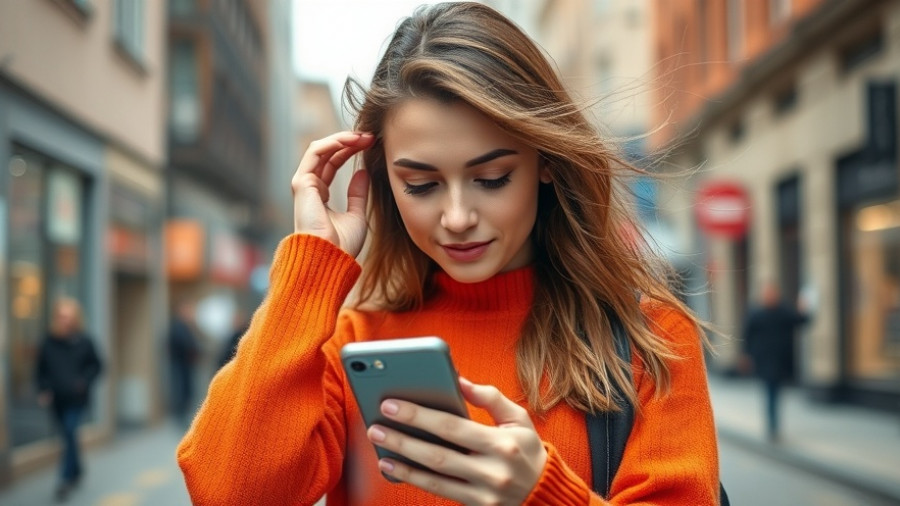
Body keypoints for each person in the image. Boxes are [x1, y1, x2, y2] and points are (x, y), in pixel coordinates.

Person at [177, 3, 721, 504]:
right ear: (386, 184)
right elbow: (228, 493)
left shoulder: (651, 339)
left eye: (491, 178)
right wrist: (308, 271)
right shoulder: (355, 344)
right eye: (422, 185)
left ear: (547, 163)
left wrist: (543, 493)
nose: (457, 217)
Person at [36, 297, 103, 502]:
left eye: (68, 316)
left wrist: (84, 382)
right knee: (68, 436)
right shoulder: (49, 341)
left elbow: (97, 366)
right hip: (57, 399)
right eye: (61, 316)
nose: (65, 320)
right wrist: (44, 389)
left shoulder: (84, 341)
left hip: (77, 398)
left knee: (70, 431)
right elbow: (41, 370)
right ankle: (77, 470)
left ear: (75, 318)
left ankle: (64, 479)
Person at [741, 280, 809, 443]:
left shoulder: (783, 311)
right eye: (767, 293)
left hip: (780, 360)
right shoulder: (756, 313)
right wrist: (746, 355)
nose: (770, 296)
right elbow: (748, 335)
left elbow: (801, 321)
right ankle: (772, 427)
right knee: (770, 391)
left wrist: (804, 309)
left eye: (772, 293)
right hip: (764, 360)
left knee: (775, 392)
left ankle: (773, 426)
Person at [168, 298, 200, 426]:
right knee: (182, 391)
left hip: (186, 366)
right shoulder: (178, 327)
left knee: (187, 391)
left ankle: (184, 416)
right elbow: (183, 344)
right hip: (180, 365)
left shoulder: (187, 326)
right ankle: (180, 418)